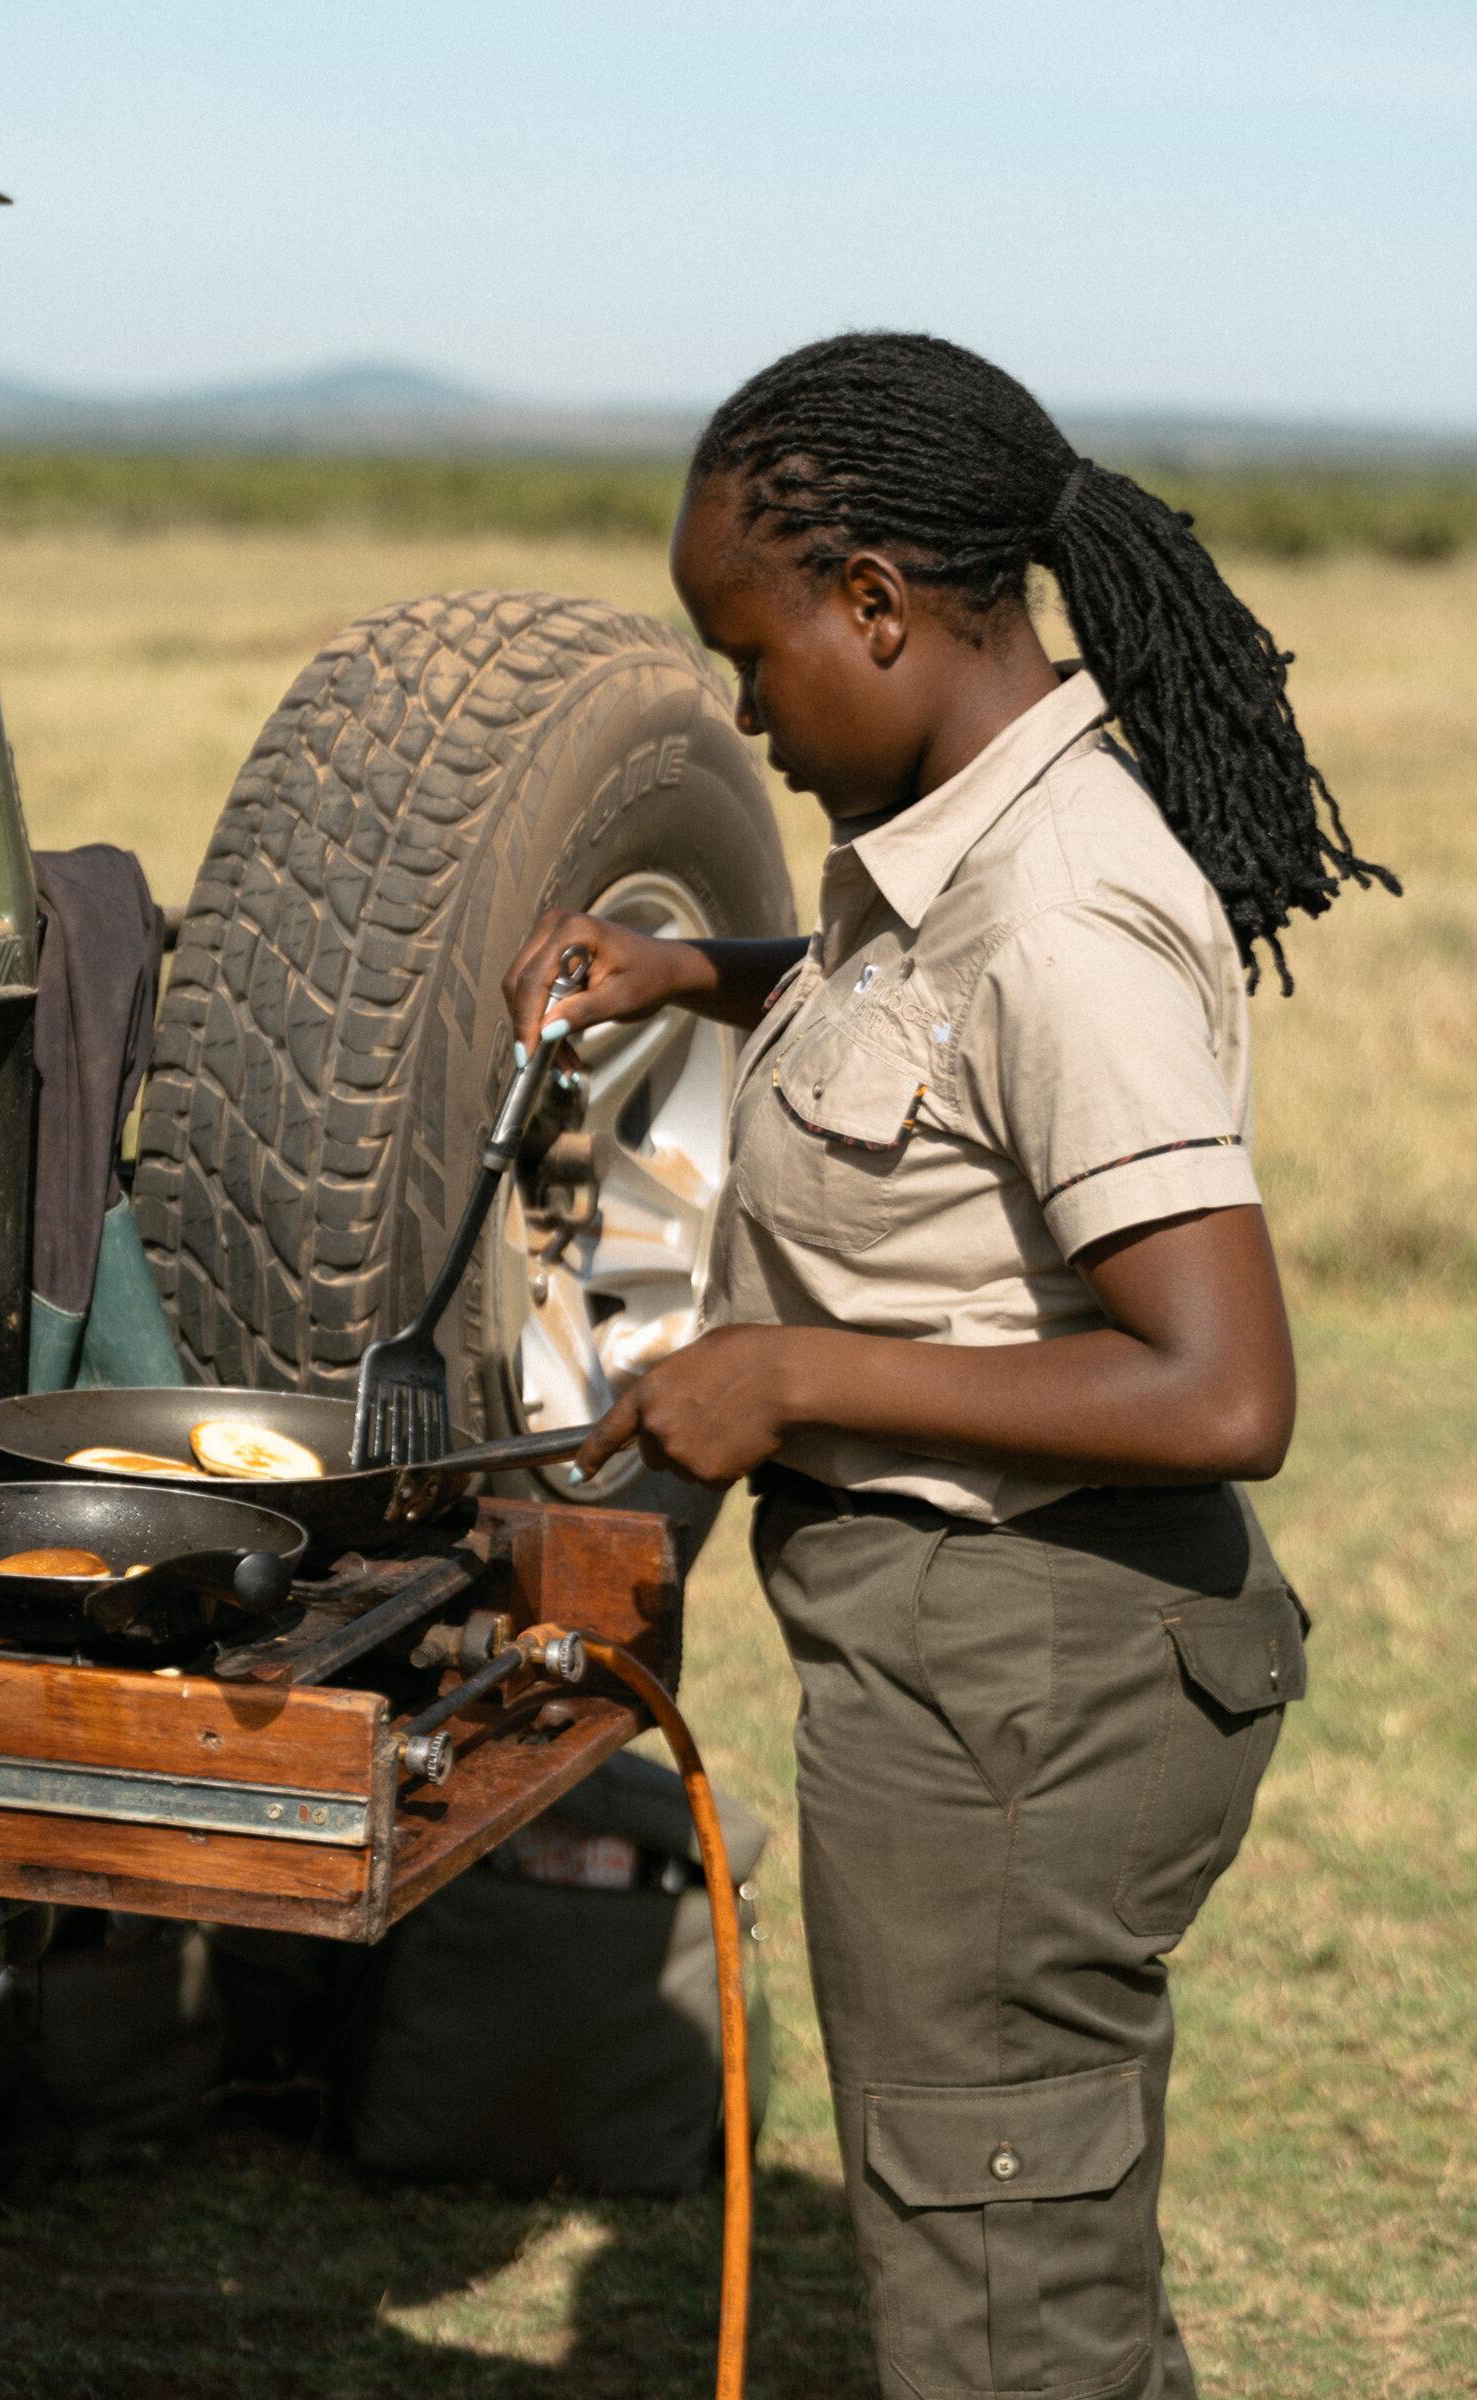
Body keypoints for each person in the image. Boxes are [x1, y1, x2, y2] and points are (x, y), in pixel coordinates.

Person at [503, 332, 1396, 2400]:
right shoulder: (960, 847)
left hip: (1031, 1679)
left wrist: (795, 1373)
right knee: (1026, 2258)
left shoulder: (1064, 909)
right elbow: (915, 1025)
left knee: (1004, 2311)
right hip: (977, 1664)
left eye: (753, 652)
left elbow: (1221, 1389)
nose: (744, 709)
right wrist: (689, 975)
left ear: (882, 605)